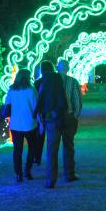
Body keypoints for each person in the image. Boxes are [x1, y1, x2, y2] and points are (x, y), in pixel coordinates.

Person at [34, 60, 68, 188]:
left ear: (41, 70)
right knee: (60, 146)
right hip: (58, 116)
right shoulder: (58, 79)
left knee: (51, 150)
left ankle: (50, 179)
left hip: (46, 118)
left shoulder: (39, 83)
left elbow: (37, 101)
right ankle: (65, 172)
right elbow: (61, 97)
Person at [4, 69, 39, 183]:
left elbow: (7, 105)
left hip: (16, 124)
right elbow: (36, 107)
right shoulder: (31, 90)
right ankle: (28, 170)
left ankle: (18, 173)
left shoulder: (12, 90)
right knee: (32, 148)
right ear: (27, 78)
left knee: (17, 150)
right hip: (30, 124)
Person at [57, 58, 82, 182]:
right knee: (68, 145)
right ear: (68, 69)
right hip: (68, 116)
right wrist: (76, 116)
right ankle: (69, 173)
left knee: (52, 146)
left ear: (57, 67)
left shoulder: (51, 81)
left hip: (54, 118)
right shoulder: (73, 82)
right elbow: (77, 100)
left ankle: (52, 173)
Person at [32, 63, 46, 165]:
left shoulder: (36, 83)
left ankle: (36, 156)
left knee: (37, 135)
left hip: (36, 111)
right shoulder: (53, 81)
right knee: (43, 135)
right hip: (47, 111)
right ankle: (38, 157)